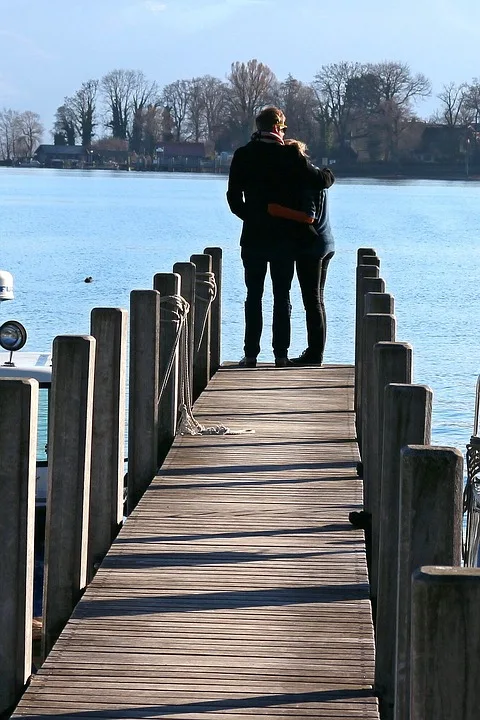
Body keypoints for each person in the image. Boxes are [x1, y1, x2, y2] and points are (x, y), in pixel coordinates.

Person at [226, 106, 335, 368]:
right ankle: (280, 355)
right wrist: (329, 173)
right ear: (277, 127)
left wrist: (251, 217)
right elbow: (320, 181)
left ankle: (251, 354)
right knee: (281, 295)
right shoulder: (290, 155)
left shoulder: (242, 155)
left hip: (252, 237)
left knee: (253, 295)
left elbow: (233, 198)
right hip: (283, 238)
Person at [267, 138, 335, 366]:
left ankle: (315, 354)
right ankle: (316, 352)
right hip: (326, 242)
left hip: (312, 247)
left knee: (312, 300)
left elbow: (309, 216)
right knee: (318, 300)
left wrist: (277, 210)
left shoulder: (305, 180)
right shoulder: (316, 175)